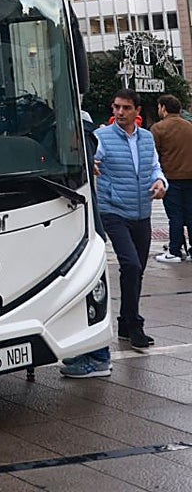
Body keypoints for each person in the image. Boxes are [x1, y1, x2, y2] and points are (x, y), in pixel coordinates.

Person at [94, 89, 166, 351]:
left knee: (137, 271)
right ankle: (135, 325)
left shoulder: (147, 138)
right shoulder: (101, 137)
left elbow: (155, 166)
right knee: (131, 265)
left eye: (125, 108)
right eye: (116, 108)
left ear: (137, 110)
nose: (120, 113)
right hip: (113, 210)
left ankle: (125, 321)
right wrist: (91, 164)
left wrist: (160, 182)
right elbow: (89, 158)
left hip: (142, 212)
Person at [61, 110, 113, 377]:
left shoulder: (83, 131)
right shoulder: (86, 132)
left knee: (92, 292)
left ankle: (99, 358)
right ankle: (87, 351)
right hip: (82, 223)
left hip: (87, 225)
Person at [151, 93, 192, 263]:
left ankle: (175, 250)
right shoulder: (189, 126)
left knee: (175, 216)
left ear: (164, 108)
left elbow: (153, 155)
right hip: (190, 177)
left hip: (171, 178)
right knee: (190, 214)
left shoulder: (158, 128)